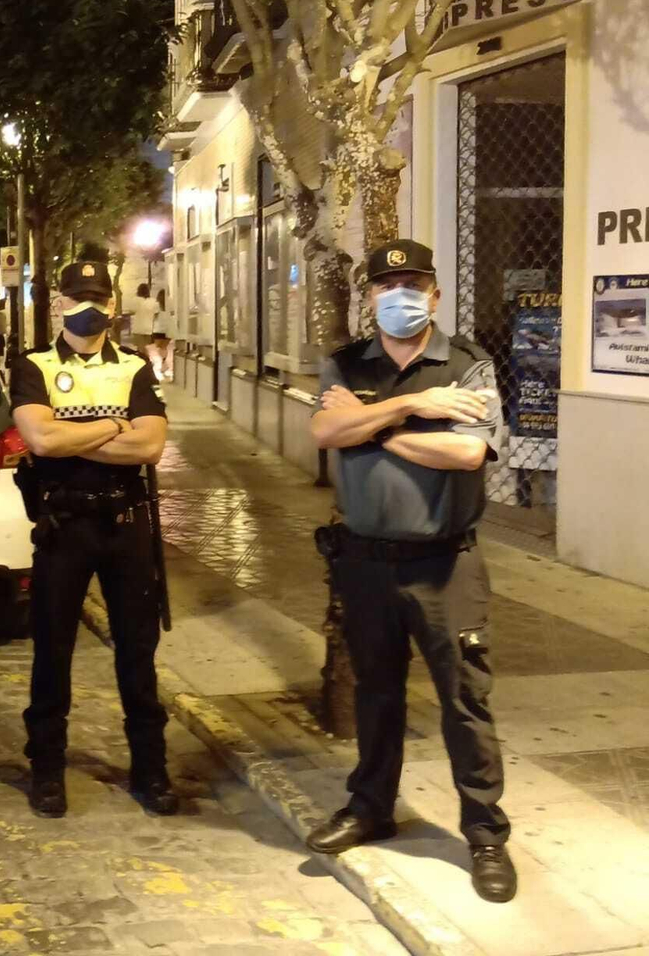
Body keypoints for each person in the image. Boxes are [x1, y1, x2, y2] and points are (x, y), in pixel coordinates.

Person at [307, 239, 515, 904]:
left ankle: (484, 834)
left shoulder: (466, 363)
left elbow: (466, 452)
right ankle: (371, 807)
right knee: (376, 693)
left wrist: (371, 426)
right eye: (387, 284)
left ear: (435, 292)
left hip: (445, 564)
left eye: (414, 282)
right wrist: (405, 407)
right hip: (365, 562)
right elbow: (325, 435)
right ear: (368, 297)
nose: (400, 294)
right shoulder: (344, 362)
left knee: (465, 700)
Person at [10, 260, 173, 818]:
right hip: (64, 526)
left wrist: (70, 436)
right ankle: (47, 770)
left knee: (138, 652)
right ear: (59, 301)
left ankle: (151, 770)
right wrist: (114, 426)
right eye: (78, 295)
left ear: (111, 302)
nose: (89, 305)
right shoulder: (32, 365)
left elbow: (150, 447)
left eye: (98, 296)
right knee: (52, 653)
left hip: (126, 525)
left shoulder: (133, 367)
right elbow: (38, 438)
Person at [129, 283, 158, 354]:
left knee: (140, 349)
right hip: (149, 329)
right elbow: (156, 314)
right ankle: (148, 362)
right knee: (148, 349)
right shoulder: (153, 301)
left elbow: (131, 310)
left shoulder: (135, 300)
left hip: (138, 329)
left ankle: (142, 363)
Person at [151, 290, 174, 382]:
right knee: (164, 348)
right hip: (167, 328)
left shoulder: (156, 305)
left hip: (158, 328)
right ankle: (163, 365)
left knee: (157, 348)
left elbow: (154, 316)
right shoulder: (170, 303)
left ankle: (158, 366)